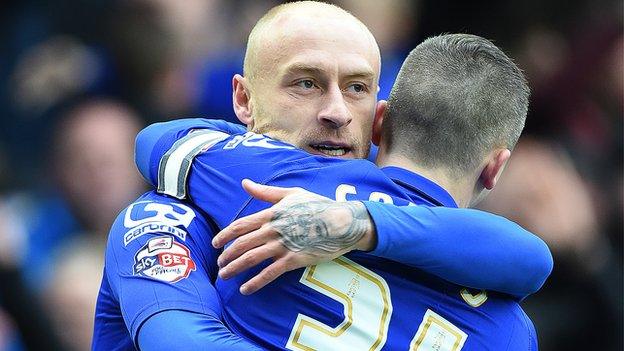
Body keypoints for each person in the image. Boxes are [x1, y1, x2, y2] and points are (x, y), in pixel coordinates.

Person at [94, 2, 551, 350]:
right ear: (244, 101)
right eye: (306, 84)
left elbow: (532, 258)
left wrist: (357, 224)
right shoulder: (172, 214)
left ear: (379, 117)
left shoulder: (488, 281)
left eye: (356, 88)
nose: (336, 113)